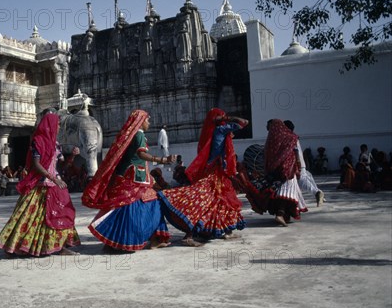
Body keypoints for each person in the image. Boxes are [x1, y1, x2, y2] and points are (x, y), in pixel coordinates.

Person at [82, 110, 173, 252]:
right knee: (153, 204)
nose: (149, 123)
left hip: (128, 177)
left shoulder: (130, 136)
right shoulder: (139, 135)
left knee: (123, 207)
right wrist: (161, 159)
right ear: (141, 121)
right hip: (136, 179)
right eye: (147, 120)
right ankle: (153, 239)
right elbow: (141, 154)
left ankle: (114, 241)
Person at [0, 112, 80, 257]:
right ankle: (17, 245)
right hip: (40, 184)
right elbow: (36, 165)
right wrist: (53, 179)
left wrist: (72, 156)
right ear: (50, 124)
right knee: (29, 216)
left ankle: (60, 245)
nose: (59, 127)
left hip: (55, 184)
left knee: (61, 213)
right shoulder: (38, 141)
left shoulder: (56, 145)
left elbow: (62, 167)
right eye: (57, 124)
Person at [158, 108, 247, 245]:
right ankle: (189, 235)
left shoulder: (211, 132)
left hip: (215, 172)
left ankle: (227, 231)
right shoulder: (219, 130)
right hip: (214, 174)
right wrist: (228, 118)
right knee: (203, 201)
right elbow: (243, 123)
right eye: (221, 116)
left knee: (221, 201)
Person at [245, 119, 308, 226]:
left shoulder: (272, 139)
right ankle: (280, 214)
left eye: (268, 126)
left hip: (275, 171)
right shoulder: (290, 138)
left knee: (282, 194)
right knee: (287, 193)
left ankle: (285, 215)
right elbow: (295, 153)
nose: (267, 128)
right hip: (288, 170)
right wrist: (299, 168)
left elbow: (267, 156)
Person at [283, 120, 325, 206]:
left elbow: (295, 151)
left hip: (296, 164)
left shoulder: (290, 137)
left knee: (302, 182)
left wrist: (297, 164)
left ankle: (317, 192)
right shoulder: (293, 136)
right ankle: (319, 193)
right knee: (307, 177)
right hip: (299, 163)